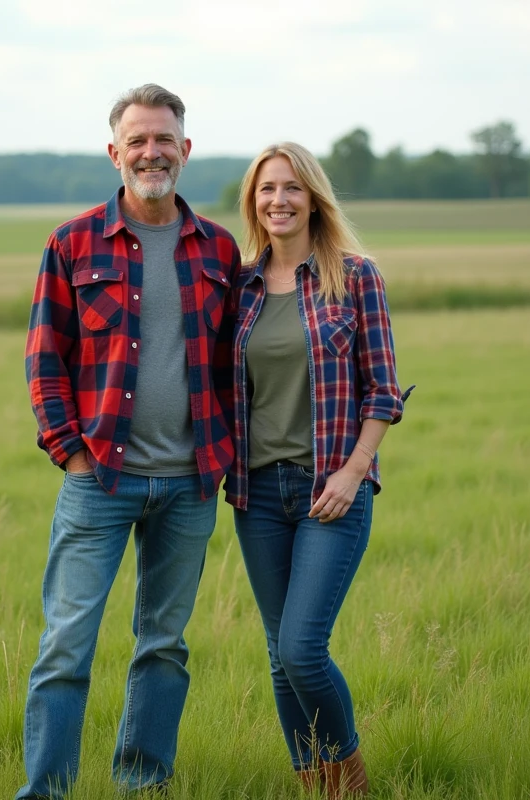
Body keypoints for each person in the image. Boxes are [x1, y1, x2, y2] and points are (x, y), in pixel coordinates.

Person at [19, 84, 241, 799]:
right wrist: (72, 454)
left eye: (164, 139)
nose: (152, 152)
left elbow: (234, 363)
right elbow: (44, 358)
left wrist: (224, 458)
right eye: (137, 140)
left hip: (189, 483)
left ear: (186, 149)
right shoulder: (72, 242)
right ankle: (46, 791)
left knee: (164, 647)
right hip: (100, 481)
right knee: (66, 646)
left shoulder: (220, 248)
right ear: (114, 152)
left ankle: (142, 783)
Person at [225, 142, 408, 797]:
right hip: (256, 494)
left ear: (314, 198)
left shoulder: (355, 277)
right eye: (267, 189)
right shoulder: (239, 287)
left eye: (292, 188)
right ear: (253, 201)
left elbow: (383, 391)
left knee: (302, 648)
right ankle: (315, 787)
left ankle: (350, 783)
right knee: (280, 658)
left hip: (331, 489)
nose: (279, 200)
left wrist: (354, 472)